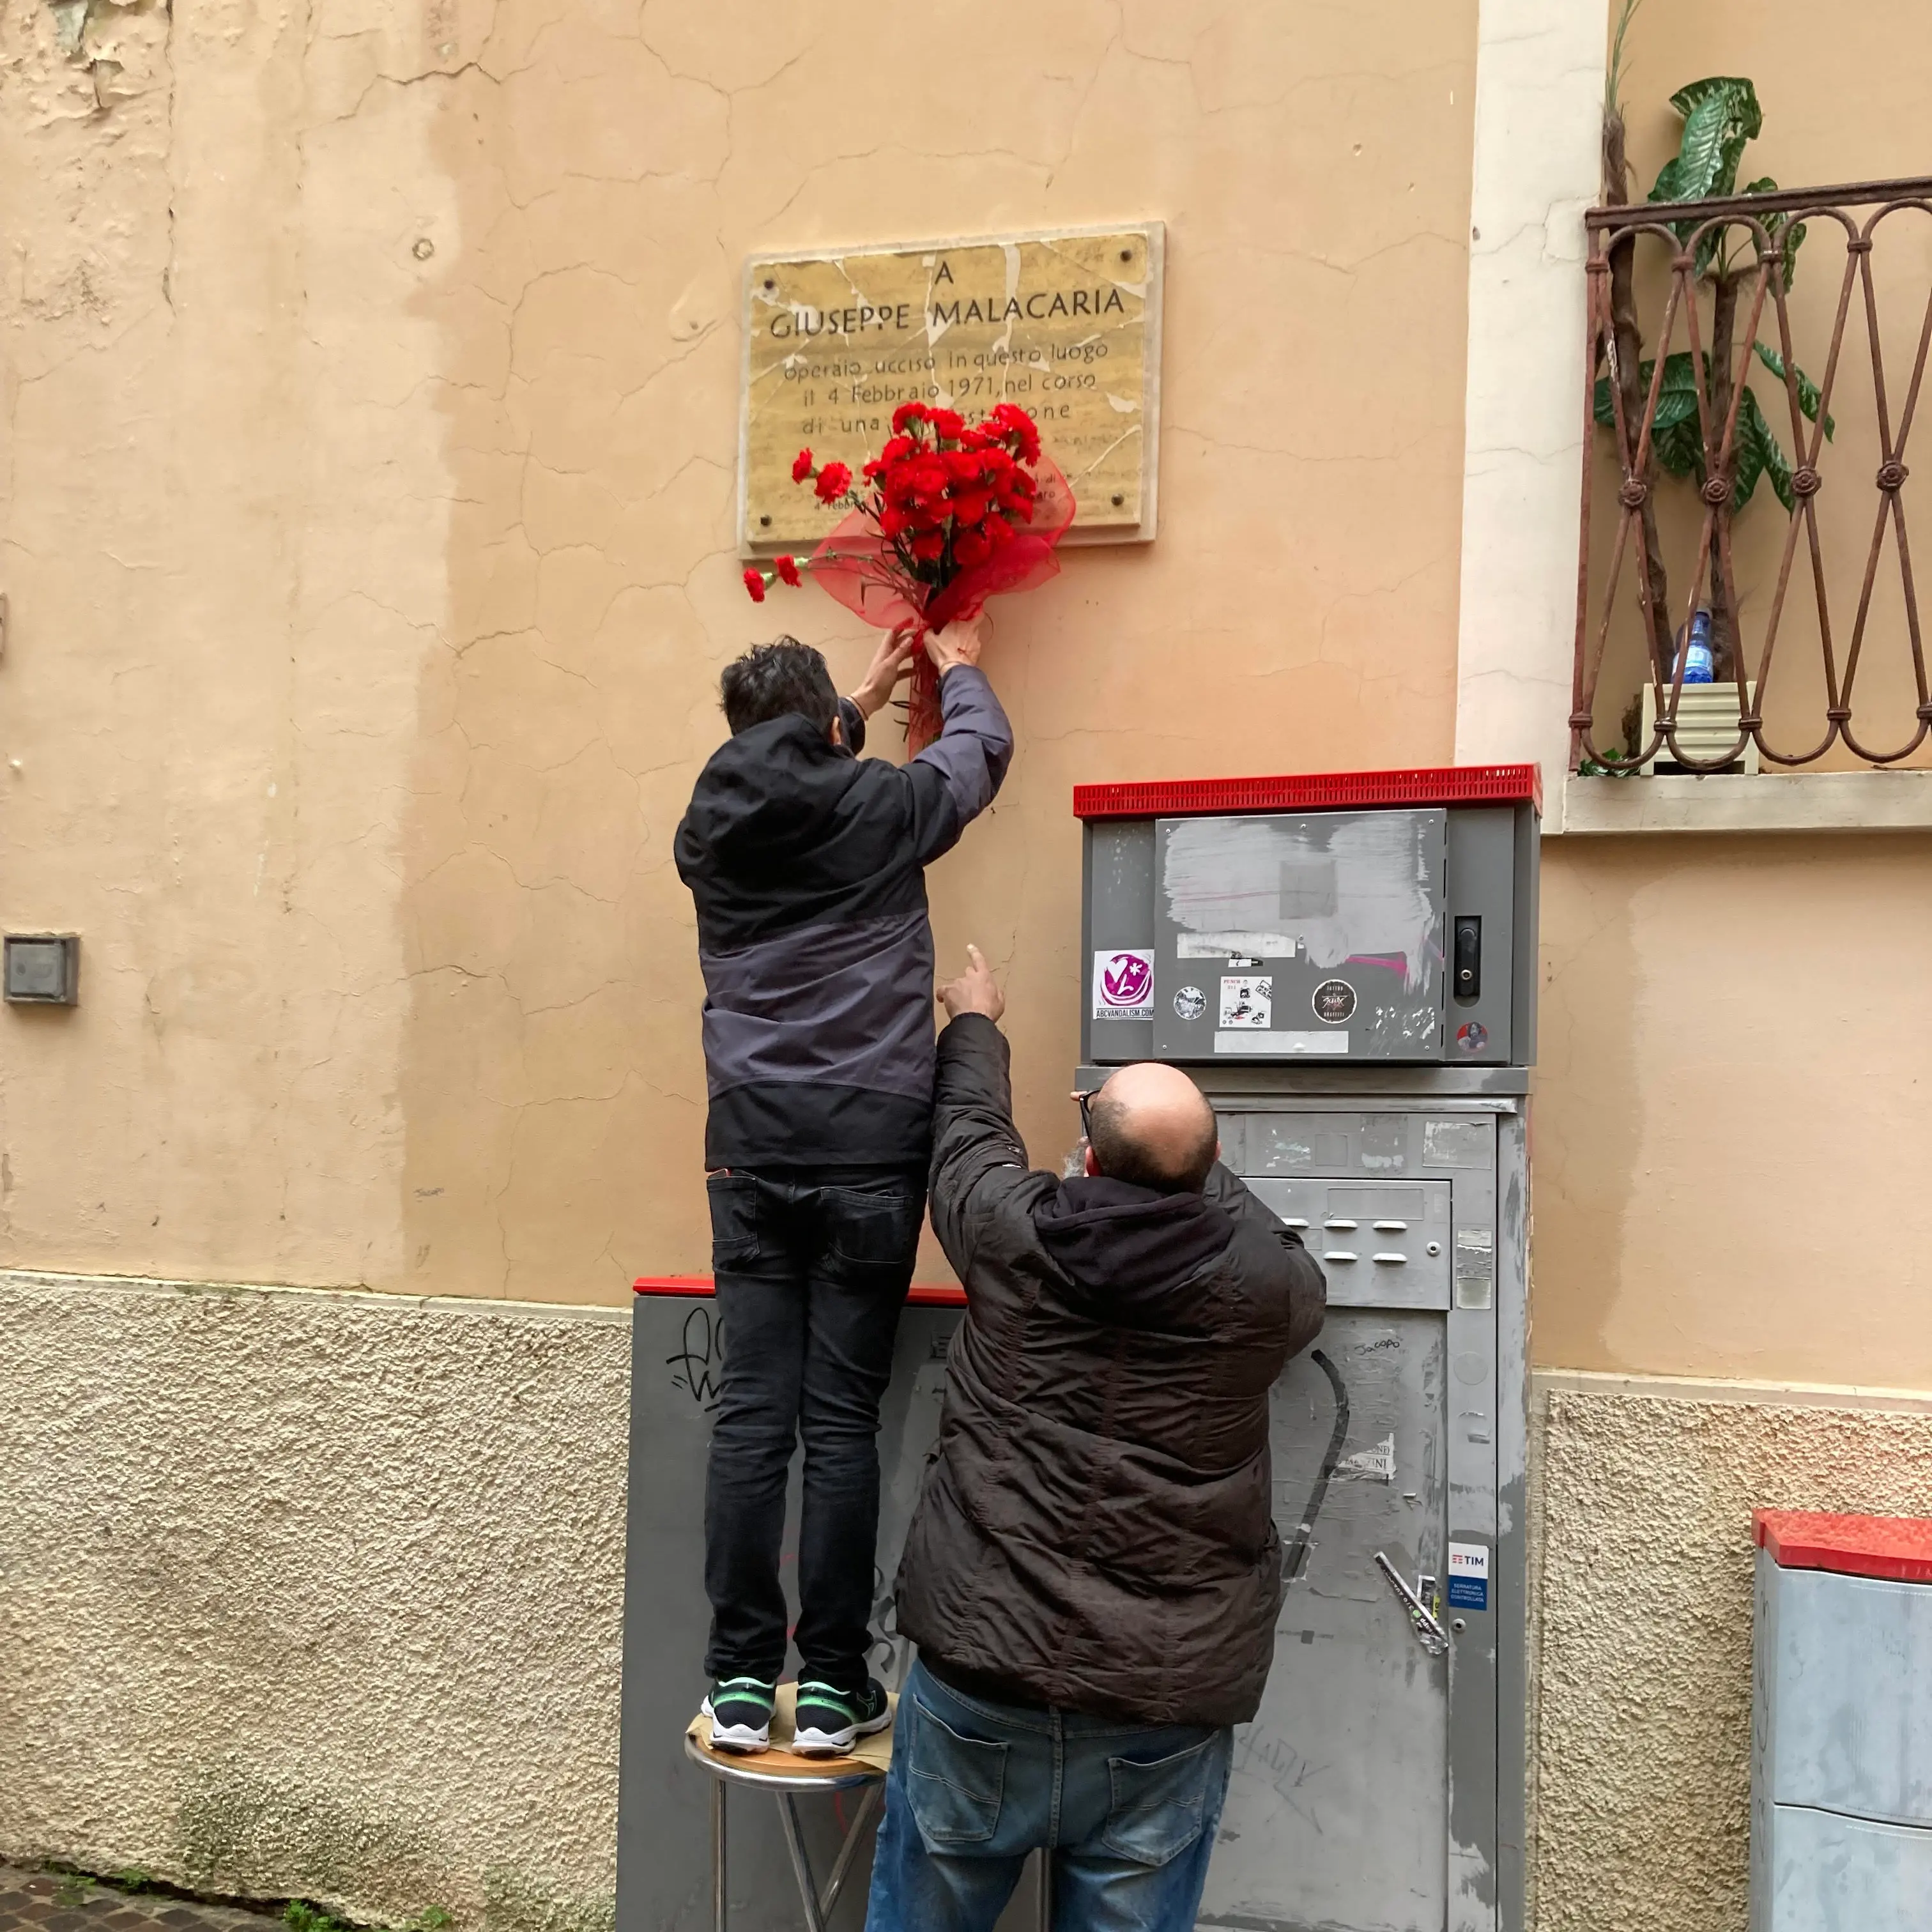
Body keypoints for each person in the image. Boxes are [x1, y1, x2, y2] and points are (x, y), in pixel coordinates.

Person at [865, 947, 1326, 1931]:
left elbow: (967, 1143)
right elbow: (1287, 1250)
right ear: (1208, 1170)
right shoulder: (1264, 1292)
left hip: (982, 1681)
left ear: (1085, 1156)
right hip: (1160, 1708)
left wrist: (977, 1021)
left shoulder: (1010, 1233)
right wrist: (1192, 1159)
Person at [674, 619, 1012, 1757]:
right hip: (871, 1148)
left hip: (751, 1151)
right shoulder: (881, 811)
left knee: (751, 1418)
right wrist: (959, 663)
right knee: (838, 1422)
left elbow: (788, 780)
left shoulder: (708, 835)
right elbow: (981, 754)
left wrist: (850, 707)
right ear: (828, 728)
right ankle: (829, 1689)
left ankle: (734, 1681)